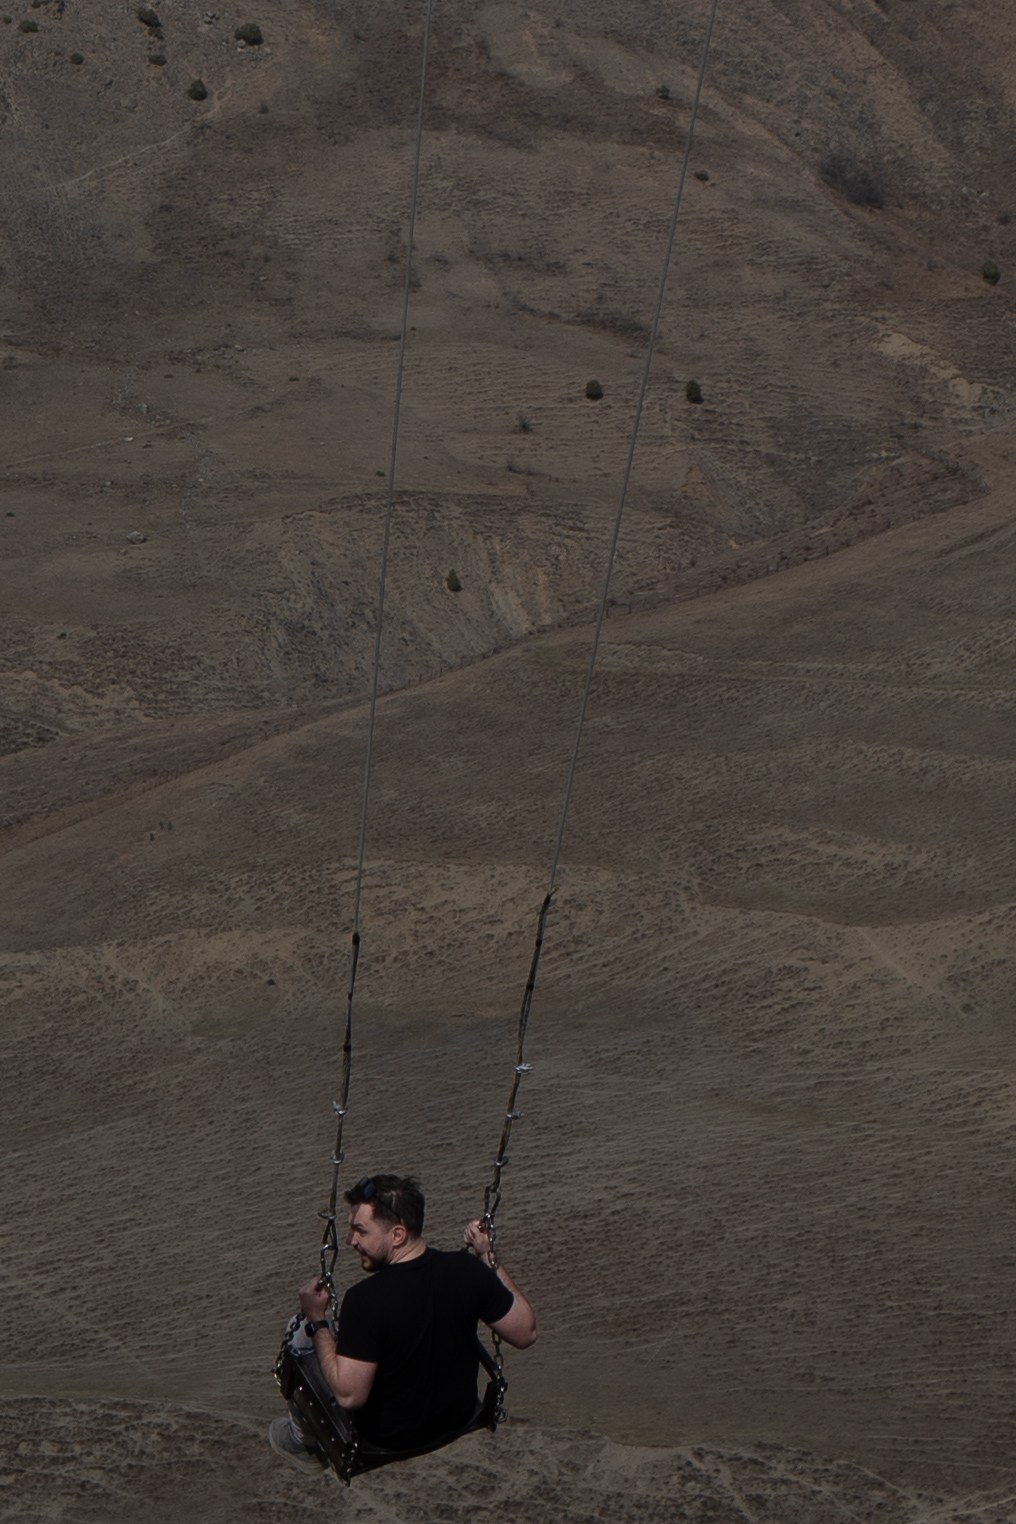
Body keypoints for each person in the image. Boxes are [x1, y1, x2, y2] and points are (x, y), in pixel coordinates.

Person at [268, 1173, 536, 1475]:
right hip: (457, 1417)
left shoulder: (364, 1300)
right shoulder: (467, 1270)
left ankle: (302, 1443)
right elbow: (525, 1332)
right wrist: (487, 1257)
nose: (350, 1241)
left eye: (360, 1231)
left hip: (386, 1440)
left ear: (397, 1235)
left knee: (300, 1330)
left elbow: (349, 1395)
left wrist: (317, 1320)